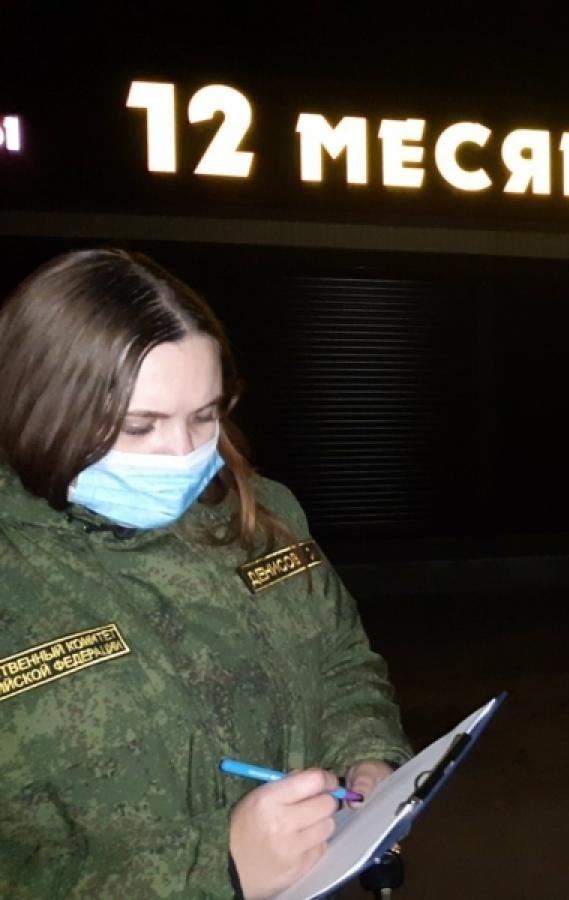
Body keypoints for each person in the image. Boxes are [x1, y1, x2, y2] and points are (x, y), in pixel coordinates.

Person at [0, 248, 413, 898]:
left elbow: (342, 661)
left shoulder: (263, 515)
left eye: (204, 416)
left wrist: (367, 755)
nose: (183, 454)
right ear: (40, 408)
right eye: (140, 426)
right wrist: (217, 872)